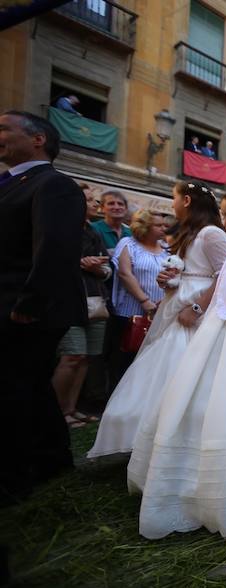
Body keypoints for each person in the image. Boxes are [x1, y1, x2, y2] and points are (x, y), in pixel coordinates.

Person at [127, 188, 226, 540]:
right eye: (224, 216)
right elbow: (220, 291)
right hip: (217, 330)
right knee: (198, 399)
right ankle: (191, 479)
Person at [88, 181, 226, 458]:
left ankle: (179, 434)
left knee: (186, 368)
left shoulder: (213, 234)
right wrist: (170, 280)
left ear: (187, 201)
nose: (172, 205)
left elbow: (225, 276)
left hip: (196, 309)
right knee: (161, 368)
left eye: (174, 198)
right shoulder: (190, 233)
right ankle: (147, 434)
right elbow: (192, 271)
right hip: (176, 303)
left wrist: (198, 308)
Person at [0, 110, 86, 504]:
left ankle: (19, 474)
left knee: (16, 389)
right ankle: (50, 461)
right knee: (28, 388)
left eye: (4, 129)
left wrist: (31, 301)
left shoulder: (53, 185)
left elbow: (53, 247)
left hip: (23, 306)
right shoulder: (11, 184)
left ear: (37, 140)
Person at [52, 185, 110, 429]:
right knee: (71, 356)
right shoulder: (59, 228)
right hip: (68, 300)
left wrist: (97, 268)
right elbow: (48, 262)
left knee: (85, 358)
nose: (94, 204)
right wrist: (80, 263)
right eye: (88, 200)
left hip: (95, 301)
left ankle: (71, 409)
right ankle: (54, 412)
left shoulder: (93, 232)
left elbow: (107, 270)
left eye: (94, 200)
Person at [106, 209, 168, 384]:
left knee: (148, 361)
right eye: (158, 225)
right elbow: (125, 274)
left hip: (159, 313)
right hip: (130, 313)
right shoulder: (129, 244)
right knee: (124, 359)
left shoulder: (166, 249)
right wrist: (145, 300)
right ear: (144, 226)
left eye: (165, 225)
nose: (164, 228)